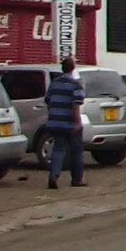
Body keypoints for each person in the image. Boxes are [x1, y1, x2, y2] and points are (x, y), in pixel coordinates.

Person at [40, 55, 87, 189]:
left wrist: (53, 116)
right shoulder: (75, 85)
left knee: (58, 149)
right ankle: (77, 179)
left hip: (55, 122)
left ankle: (54, 175)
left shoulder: (54, 83)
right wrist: (77, 123)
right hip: (70, 123)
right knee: (76, 151)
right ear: (73, 69)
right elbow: (76, 105)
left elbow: (48, 101)